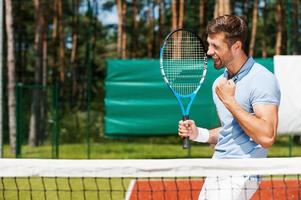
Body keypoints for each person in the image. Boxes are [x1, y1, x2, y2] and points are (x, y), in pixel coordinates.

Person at [178, 15, 281, 200]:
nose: (209, 52)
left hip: (244, 170)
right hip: (219, 166)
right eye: (209, 44)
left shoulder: (262, 79)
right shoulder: (219, 83)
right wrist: (198, 134)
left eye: (215, 46)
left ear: (236, 46)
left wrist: (230, 102)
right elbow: (231, 130)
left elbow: (267, 136)